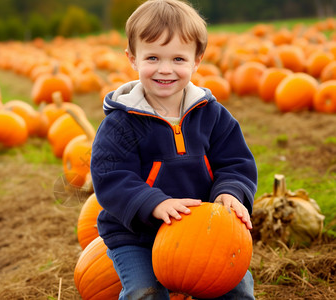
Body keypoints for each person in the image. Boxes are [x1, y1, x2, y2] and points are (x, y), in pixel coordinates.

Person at [90, 0, 257, 299]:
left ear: (197, 60)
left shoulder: (213, 116)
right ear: (132, 58)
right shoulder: (121, 123)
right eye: (152, 57)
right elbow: (112, 177)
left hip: (202, 233)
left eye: (178, 59)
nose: (165, 70)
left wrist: (230, 193)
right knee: (145, 291)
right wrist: (153, 203)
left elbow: (236, 162)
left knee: (237, 288)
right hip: (136, 235)